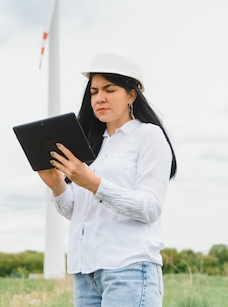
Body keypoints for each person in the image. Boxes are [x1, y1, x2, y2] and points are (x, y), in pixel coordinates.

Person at [37, 51, 177, 307]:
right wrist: (57, 185)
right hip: (85, 272)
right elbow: (80, 213)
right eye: (94, 91)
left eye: (109, 89)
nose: (99, 98)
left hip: (128, 269)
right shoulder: (90, 146)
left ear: (131, 94)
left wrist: (92, 182)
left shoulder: (148, 136)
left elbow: (150, 207)